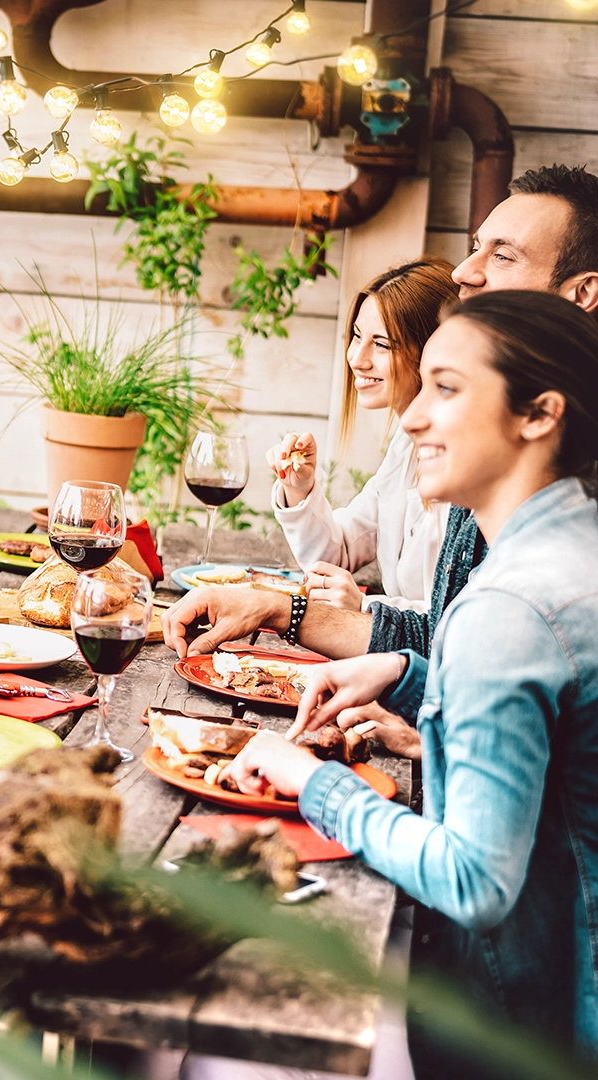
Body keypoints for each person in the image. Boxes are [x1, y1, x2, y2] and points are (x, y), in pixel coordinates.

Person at [224, 291, 598, 1076]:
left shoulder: (510, 603)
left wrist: (309, 780)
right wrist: (403, 670)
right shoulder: (575, 549)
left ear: (539, 415)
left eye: (446, 388)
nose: (410, 418)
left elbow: (473, 883)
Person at [163, 163, 598, 663]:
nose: (463, 271)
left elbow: (487, 685)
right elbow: (449, 647)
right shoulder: (474, 450)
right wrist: (279, 608)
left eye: (502, 255)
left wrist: (330, 610)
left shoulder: (563, 504)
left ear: (581, 293)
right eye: (474, 247)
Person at [268, 257, 457, 613]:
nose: (357, 358)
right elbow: (336, 556)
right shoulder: (405, 446)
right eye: (357, 336)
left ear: (431, 353)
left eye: (382, 345)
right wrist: (300, 488)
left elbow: (450, 619)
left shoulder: (461, 468)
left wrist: (365, 605)